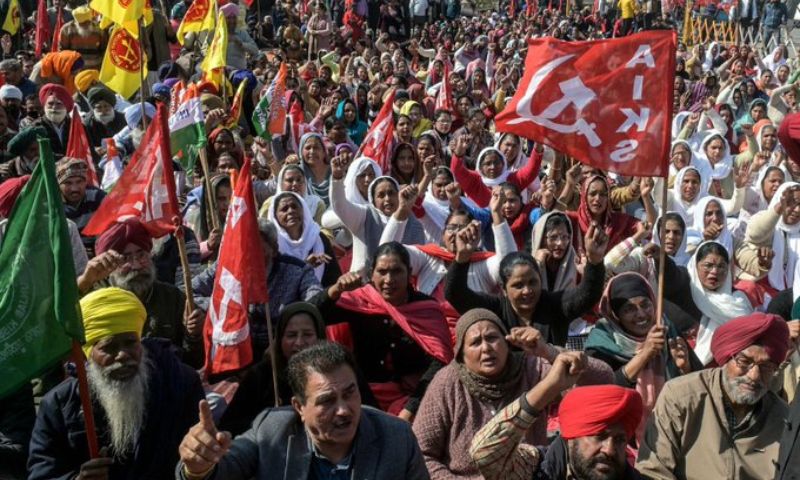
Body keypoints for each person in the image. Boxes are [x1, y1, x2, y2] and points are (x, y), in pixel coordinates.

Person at [176, 342, 430, 479]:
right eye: (327, 400)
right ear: (299, 407)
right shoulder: (271, 431)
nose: (343, 410)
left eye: (350, 393)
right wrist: (199, 467)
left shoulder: (397, 438)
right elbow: (223, 469)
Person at [413, 309, 613, 478]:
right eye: (475, 343)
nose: (486, 348)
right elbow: (420, 453)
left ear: (506, 342)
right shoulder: (448, 381)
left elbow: (604, 379)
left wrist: (548, 351)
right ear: (461, 355)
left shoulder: (530, 368)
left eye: (492, 338)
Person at [28, 288, 205, 479]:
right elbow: (41, 472)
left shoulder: (179, 383)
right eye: (108, 347)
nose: (122, 355)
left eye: (130, 343)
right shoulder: (59, 403)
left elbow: (196, 459)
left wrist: (197, 467)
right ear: (89, 353)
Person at [636, 312, 791, 479]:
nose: (754, 376)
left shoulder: (784, 419)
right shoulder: (681, 397)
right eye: (744, 362)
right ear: (726, 358)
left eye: (766, 367)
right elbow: (652, 470)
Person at [312, 241, 452, 420]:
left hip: (417, 401)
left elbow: (439, 362)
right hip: (360, 399)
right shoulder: (359, 302)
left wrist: (410, 409)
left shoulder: (426, 309)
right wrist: (335, 290)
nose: (389, 280)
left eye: (396, 271)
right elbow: (309, 316)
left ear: (409, 273)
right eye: (382, 272)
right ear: (371, 273)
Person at [445, 218, 608, 346]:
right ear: (503, 288)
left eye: (533, 282)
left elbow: (588, 293)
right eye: (518, 285)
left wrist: (595, 260)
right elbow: (455, 294)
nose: (527, 291)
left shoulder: (554, 304)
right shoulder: (495, 309)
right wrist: (462, 257)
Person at [470, 362, 644, 480]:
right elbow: (484, 454)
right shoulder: (538, 468)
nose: (610, 450)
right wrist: (550, 386)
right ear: (571, 438)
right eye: (599, 436)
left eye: (620, 440)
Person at [585, 272, 700, 439]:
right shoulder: (602, 342)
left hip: (675, 433)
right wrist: (645, 354)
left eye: (645, 305)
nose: (641, 315)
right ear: (616, 314)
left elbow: (698, 387)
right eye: (629, 309)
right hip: (621, 439)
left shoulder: (666, 330)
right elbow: (599, 394)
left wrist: (685, 367)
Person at [79, 218, 205, 368]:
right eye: (125, 258)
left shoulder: (172, 298)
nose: (136, 265)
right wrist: (84, 282)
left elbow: (193, 362)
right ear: (108, 263)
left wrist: (193, 335)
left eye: (141, 255)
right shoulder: (93, 297)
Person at [191, 219, 323, 359]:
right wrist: (227, 308)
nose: (249, 255)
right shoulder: (226, 266)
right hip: (233, 346)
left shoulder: (297, 270)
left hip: (282, 350)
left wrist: (283, 335)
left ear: (274, 249)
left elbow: (314, 300)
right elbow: (190, 290)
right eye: (244, 247)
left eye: (257, 249)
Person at [266, 191, 341, 286]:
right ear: (275, 216)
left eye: (294, 207)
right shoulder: (271, 245)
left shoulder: (319, 238)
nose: (291, 211)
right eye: (284, 209)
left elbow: (334, 278)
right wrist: (305, 266)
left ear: (303, 210)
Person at [56, 157, 106, 254]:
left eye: (79, 182)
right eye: (68, 183)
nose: (74, 188)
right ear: (59, 185)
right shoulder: (53, 204)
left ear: (85, 182)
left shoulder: (98, 198)